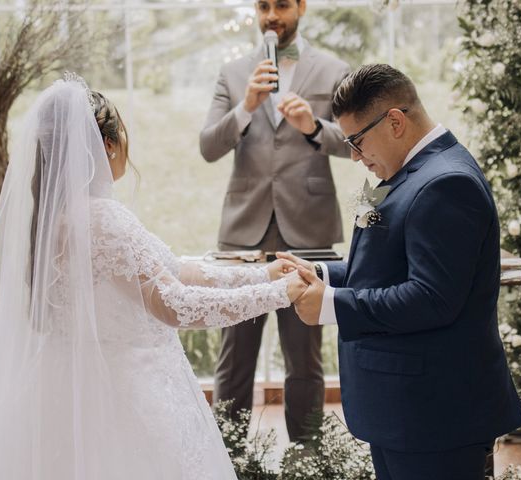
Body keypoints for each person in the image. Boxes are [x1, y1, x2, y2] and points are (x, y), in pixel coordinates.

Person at [0, 75, 307, 480]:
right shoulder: (102, 219)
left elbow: (173, 269)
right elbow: (174, 303)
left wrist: (261, 275)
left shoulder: (53, 221)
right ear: (106, 144)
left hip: (65, 390)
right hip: (127, 398)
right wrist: (280, 293)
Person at [281, 64, 521, 480]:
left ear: (395, 121)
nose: (356, 157)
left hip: (436, 412)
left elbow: (432, 299)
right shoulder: (401, 172)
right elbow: (380, 264)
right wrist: (322, 273)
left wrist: (331, 306)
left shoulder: (447, 183)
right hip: (404, 409)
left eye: (357, 141)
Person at [199, 0, 350, 441]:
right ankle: (228, 456)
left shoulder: (333, 68)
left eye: (281, 5)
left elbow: (355, 140)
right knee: (235, 355)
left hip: (309, 230)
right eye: (263, 6)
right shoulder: (233, 72)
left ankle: (308, 458)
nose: (271, 16)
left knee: (304, 358)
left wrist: (313, 126)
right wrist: (246, 106)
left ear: (301, 7)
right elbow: (208, 147)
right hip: (244, 234)